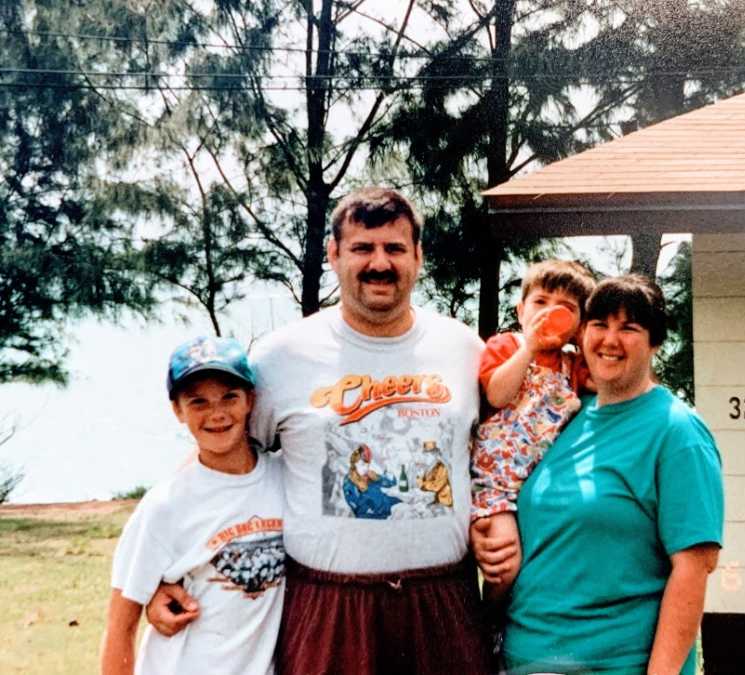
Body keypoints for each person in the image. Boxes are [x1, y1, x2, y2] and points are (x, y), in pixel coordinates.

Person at [146, 188, 493, 674]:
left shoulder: (462, 348)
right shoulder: (281, 356)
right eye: (361, 248)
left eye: (394, 248)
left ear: (418, 256)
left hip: (442, 603)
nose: (379, 263)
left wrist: (499, 526)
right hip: (328, 605)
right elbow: (220, 458)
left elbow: (498, 456)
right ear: (333, 254)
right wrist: (163, 571)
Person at [473, 274, 724, 675]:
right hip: (522, 659)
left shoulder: (677, 431)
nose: (610, 339)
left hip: (614, 663)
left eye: (629, 328)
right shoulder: (565, 415)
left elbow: (694, 567)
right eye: (599, 324)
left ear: (655, 342)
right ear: (581, 333)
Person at [100, 336, 285, 675]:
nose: (216, 414)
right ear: (177, 411)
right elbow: (120, 626)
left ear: (250, 401)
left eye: (229, 397)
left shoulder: (285, 478)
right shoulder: (164, 506)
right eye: (198, 402)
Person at [470, 259, 595, 593]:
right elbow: (497, 394)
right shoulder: (507, 346)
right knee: (505, 567)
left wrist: (582, 340)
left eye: (566, 309)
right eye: (540, 303)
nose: (549, 313)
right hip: (497, 483)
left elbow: (602, 380)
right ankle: (490, 627)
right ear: (521, 310)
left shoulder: (572, 365)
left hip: (544, 487)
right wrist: (530, 347)